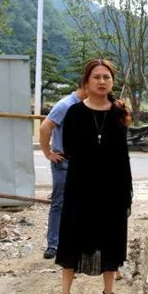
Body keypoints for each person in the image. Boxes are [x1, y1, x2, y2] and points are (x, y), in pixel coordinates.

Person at [55, 59, 133, 294]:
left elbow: (123, 157)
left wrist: (126, 193)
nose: (102, 81)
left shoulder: (118, 113)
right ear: (86, 82)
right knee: (72, 241)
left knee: (111, 242)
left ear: (112, 82)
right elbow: (72, 152)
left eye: (106, 77)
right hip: (81, 189)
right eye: (96, 77)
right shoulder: (75, 113)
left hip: (112, 190)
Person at [39, 86, 87, 259]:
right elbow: (45, 128)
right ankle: (53, 244)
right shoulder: (65, 105)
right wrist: (48, 154)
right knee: (59, 203)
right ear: (85, 85)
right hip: (63, 162)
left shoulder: (87, 105)